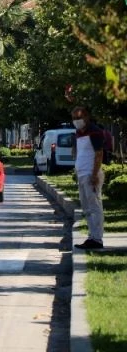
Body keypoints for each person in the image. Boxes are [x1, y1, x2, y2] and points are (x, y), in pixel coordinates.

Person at [71, 105, 106, 250]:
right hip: (82, 174)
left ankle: (97, 239)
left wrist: (94, 174)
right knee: (86, 207)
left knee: (94, 206)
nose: (76, 121)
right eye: (74, 118)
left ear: (86, 117)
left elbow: (99, 154)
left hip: (90, 174)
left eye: (78, 118)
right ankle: (92, 236)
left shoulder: (95, 132)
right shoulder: (78, 132)